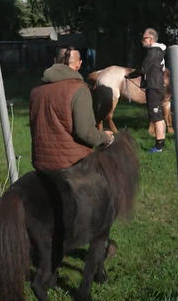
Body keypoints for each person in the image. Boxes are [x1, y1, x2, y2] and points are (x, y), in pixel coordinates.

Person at [29, 46, 118, 257]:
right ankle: (100, 246)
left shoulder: (36, 91)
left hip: (41, 163)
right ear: (78, 65)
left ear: (55, 61)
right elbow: (85, 133)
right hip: (73, 164)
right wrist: (105, 137)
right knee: (110, 198)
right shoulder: (79, 89)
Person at [125, 28, 167, 153]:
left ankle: (158, 147)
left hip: (154, 87)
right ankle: (161, 143)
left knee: (156, 117)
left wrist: (130, 75)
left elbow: (143, 68)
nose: (142, 41)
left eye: (144, 38)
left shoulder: (153, 52)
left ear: (151, 39)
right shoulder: (158, 51)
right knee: (158, 115)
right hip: (157, 86)